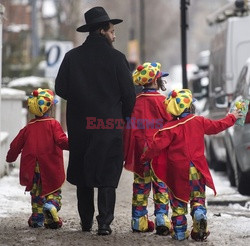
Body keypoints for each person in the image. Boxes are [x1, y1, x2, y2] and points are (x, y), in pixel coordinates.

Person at [55, 6, 136, 235]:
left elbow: (60, 88)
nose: (114, 35)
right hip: (110, 126)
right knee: (107, 175)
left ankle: (86, 222)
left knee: (83, 173)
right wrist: (125, 120)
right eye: (111, 31)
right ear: (101, 31)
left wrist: (82, 98)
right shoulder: (118, 59)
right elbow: (129, 95)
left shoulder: (72, 57)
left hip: (81, 125)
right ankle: (104, 224)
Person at [141, 89, 243, 241]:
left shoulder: (169, 129)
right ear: (189, 107)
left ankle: (180, 232)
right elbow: (218, 126)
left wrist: (144, 157)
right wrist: (232, 117)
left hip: (177, 173)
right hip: (197, 169)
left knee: (178, 202)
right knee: (198, 197)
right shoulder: (199, 121)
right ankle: (199, 213)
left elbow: (155, 147)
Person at [6, 88, 69, 229]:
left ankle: (37, 218)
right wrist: (76, 146)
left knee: (36, 193)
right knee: (53, 191)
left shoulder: (28, 128)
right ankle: (51, 206)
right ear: (51, 108)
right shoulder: (53, 124)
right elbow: (61, 141)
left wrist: (11, 157)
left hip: (31, 167)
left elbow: (16, 145)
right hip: (50, 166)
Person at [123, 62, 173, 235]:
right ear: (155, 81)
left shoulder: (134, 103)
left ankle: (138, 220)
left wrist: (127, 151)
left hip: (140, 151)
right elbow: (170, 127)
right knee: (161, 184)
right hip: (159, 151)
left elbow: (129, 128)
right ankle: (162, 219)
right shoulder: (163, 102)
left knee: (140, 186)